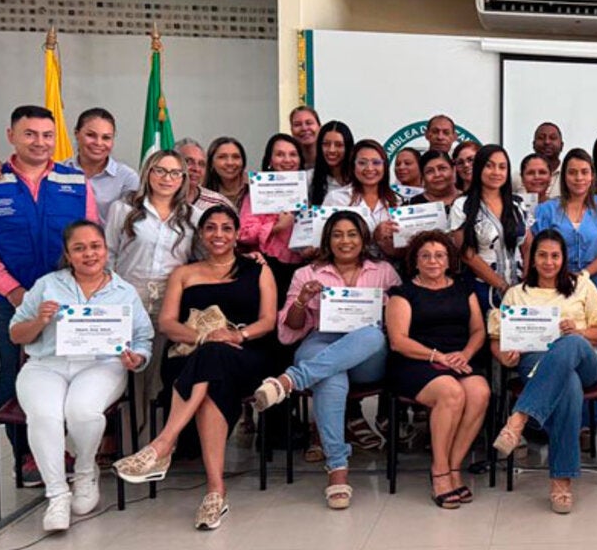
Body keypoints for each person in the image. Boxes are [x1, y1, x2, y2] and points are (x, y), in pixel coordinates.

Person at [112, 204, 279, 530]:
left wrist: (237, 335)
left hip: (247, 356)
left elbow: (268, 321)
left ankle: (162, 445)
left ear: (237, 234)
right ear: (201, 234)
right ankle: (215, 491)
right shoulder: (184, 273)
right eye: (211, 228)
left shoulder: (258, 269)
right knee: (212, 371)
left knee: (214, 362)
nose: (218, 234)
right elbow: (167, 323)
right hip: (190, 357)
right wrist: (206, 338)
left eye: (226, 228)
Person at [0, 105, 99, 486]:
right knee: (15, 372)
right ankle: (26, 456)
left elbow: (90, 235)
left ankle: (63, 450)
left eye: (47, 135)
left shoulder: (74, 181)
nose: (40, 142)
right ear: (11, 136)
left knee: (69, 375)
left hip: (69, 301)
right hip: (12, 300)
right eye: (30, 134)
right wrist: (13, 289)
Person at [253, 211, 401, 508]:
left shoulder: (383, 271)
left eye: (352, 234)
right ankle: (337, 467)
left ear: (363, 238)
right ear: (327, 239)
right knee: (330, 376)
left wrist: (386, 306)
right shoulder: (307, 273)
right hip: (320, 341)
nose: (345, 241)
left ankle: (292, 379)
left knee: (372, 335)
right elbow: (291, 328)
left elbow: (397, 320)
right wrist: (301, 300)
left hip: (367, 353)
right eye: (337, 234)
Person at [11, 220, 153, 530]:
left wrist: (136, 358)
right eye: (80, 248)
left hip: (101, 364)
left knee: (82, 411)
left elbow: (143, 338)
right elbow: (15, 334)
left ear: (106, 249)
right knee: (45, 416)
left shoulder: (123, 291)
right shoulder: (47, 285)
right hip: (46, 365)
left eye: (95, 246)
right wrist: (39, 320)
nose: (89, 254)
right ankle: (58, 495)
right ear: (68, 253)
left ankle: (86, 470)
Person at [490, 230, 597, 513]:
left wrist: (581, 331)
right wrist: (505, 356)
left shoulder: (581, 286)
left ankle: (519, 418)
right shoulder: (516, 294)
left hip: (584, 359)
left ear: (564, 259)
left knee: (572, 342)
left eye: (555, 256)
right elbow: (497, 339)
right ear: (532, 259)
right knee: (569, 385)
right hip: (534, 364)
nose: (549, 262)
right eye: (542, 255)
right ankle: (561, 480)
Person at [385, 230, 491, 508]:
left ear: (448, 260)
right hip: (416, 361)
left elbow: (479, 330)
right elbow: (398, 341)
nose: (433, 261)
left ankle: (455, 467)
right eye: (426, 256)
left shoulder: (462, 287)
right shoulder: (402, 293)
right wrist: (438, 356)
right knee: (451, 393)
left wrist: (465, 354)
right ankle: (440, 471)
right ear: (415, 261)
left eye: (439, 255)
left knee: (479, 392)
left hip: (459, 357)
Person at [106, 150, 196, 428]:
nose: (166, 178)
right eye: (160, 170)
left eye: (174, 173)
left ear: (183, 179)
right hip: (128, 298)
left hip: (170, 301)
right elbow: (108, 254)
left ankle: (153, 441)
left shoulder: (191, 216)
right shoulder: (123, 208)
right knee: (126, 369)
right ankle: (125, 439)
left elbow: (201, 258)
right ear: (148, 173)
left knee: (157, 373)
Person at [533, 147, 597, 300]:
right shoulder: (546, 210)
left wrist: (583, 275)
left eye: (584, 172)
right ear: (564, 176)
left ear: (592, 175)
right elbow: (539, 251)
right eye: (572, 172)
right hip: (557, 285)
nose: (579, 178)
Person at [451, 144, 528, 308]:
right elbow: (466, 253)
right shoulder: (462, 205)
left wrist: (526, 282)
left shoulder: (517, 204)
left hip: (520, 288)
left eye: (502, 167)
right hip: (480, 287)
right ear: (478, 168)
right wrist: (501, 285)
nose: (496, 172)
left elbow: (528, 246)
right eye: (489, 166)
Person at [238, 133, 308, 298]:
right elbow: (243, 233)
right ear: (270, 160)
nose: (287, 160)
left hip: (300, 267)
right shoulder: (256, 192)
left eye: (292, 154)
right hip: (265, 266)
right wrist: (276, 227)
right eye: (280, 154)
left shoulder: (309, 190)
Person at [61, 108, 140, 220]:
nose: (98, 143)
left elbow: (129, 224)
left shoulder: (127, 178)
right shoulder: (57, 171)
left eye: (106, 138)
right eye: (91, 135)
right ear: (77, 134)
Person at [328, 139, 401, 256]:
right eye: (362, 163)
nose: (369, 168)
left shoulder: (397, 200)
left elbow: (402, 250)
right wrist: (373, 236)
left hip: (390, 269)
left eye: (376, 162)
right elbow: (327, 241)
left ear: (385, 167)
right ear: (353, 166)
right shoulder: (337, 199)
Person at [174, 137, 228, 213]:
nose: (196, 169)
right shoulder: (157, 201)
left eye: (201, 164)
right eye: (189, 162)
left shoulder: (218, 204)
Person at [309, 120, 355, 207]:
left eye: (338, 145)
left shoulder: (358, 178)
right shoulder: (309, 178)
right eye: (326, 144)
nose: (331, 150)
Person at [203, 136, 249, 212]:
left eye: (236, 157)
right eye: (222, 157)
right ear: (211, 163)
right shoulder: (202, 192)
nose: (230, 162)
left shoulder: (255, 187)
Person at [289, 105, 322, 169]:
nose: (304, 128)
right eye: (297, 124)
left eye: (309, 123)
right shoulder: (288, 163)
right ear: (291, 130)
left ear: (319, 127)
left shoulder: (331, 160)